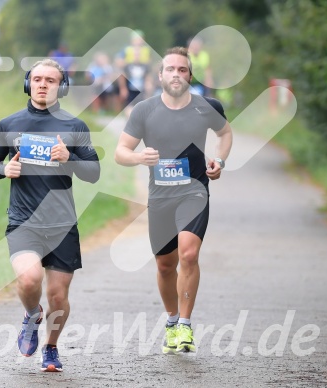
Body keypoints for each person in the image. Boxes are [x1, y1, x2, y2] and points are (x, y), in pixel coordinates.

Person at [114, 47, 233, 354]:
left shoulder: (207, 106)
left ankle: (185, 325)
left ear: (190, 76)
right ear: (160, 75)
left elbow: (225, 133)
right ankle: (171, 321)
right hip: (160, 196)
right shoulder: (144, 110)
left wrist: (219, 160)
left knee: (189, 255)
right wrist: (140, 157)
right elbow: (121, 152)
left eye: (182, 70)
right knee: (166, 265)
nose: (177, 75)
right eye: (171, 69)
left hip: (194, 191)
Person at [0, 59, 100, 372]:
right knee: (29, 278)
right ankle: (32, 315)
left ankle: (50, 348)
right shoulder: (9, 124)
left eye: (50, 80)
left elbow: (93, 172)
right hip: (24, 220)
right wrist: (3, 169)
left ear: (61, 87)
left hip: (62, 223)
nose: (43, 84)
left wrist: (70, 158)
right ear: (28, 83)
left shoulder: (74, 127)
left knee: (58, 295)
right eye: (37, 79)